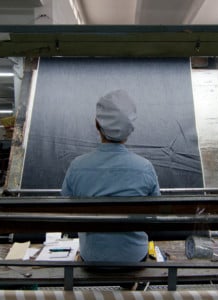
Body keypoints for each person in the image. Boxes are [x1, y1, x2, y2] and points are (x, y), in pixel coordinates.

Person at [61, 89, 160, 263]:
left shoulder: (77, 166)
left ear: (97, 124)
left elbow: (66, 210)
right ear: (129, 130)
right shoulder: (145, 168)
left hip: (92, 257)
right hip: (134, 257)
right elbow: (155, 215)